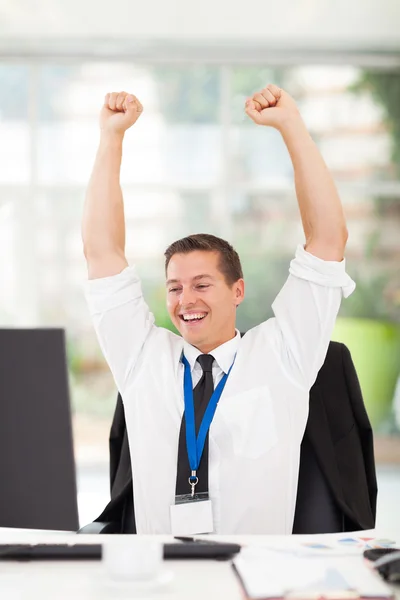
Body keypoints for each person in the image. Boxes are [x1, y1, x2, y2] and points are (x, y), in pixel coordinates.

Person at [82, 84, 355, 535]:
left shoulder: (285, 355)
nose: (186, 300)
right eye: (174, 288)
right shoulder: (141, 359)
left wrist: (292, 127)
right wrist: (111, 139)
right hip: (162, 576)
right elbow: (101, 252)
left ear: (238, 290)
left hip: (257, 574)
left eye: (202, 285)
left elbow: (328, 239)